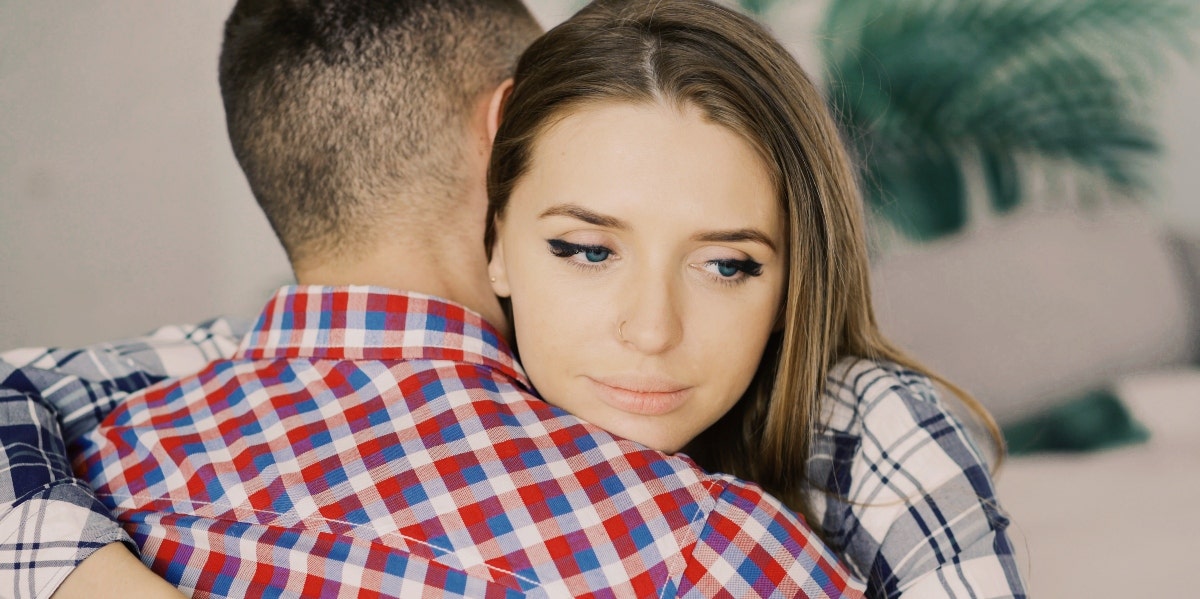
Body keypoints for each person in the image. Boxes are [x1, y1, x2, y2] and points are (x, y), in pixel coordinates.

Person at [0, 0, 1025, 598]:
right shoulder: (712, 550)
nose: (653, 329)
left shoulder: (96, 440)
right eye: (586, 247)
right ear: (499, 187)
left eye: (728, 264)